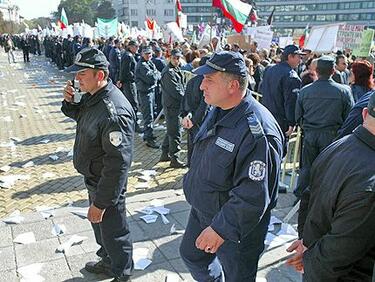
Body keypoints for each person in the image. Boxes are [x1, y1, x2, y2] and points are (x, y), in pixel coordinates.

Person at [179, 51, 285, 281]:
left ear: (233, 86)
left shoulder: (257, 132)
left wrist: (220, 229)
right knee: (192, 255)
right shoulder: (218, 108)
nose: (201, 86)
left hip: (235, 228)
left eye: (209, 80)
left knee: (238, 276)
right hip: (205, 209)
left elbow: (254, 194)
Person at [61, 48, 134, 282]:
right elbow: (84, 117)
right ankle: (108, 261)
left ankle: (122, 273)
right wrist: (69, 102)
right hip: (94, 177)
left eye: (82, 74)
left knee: (114, 232)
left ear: (100, 75)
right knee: (100, 229)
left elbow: (118, 164)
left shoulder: (114, 111)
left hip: (106, 183)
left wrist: (101, 203)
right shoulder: (95, 96)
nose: (77, 78)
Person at [287, 92, 375, 281]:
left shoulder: (337, 147)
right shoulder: (370, 178)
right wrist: (308, 257)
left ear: (365, 113)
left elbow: (307, 197)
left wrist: (305, 244)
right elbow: (341, 249)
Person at [294, 56, 354, 199]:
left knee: (307, 167)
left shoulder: (305, 91)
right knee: (328, 168)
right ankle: (324, 198)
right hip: (331, 134)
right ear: (333, 71)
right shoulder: (343, 91)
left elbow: (298, 116)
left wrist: (307, 128)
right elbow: (349, 117)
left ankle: (302, 196)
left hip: (311, 133)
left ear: (316, 71)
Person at [260, 45, 304, 138]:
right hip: (280, 122)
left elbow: (261, 90)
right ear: (290, 57)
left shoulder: (269, 69)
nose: (300, 60)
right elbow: (291, 102)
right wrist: (291, 123)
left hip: (265, 117)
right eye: (298, 57)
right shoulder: (292, 76)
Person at [159, 49, 187, 168]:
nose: (177, 61)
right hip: (172, 106)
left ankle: (165, 153)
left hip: (174, 105)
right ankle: (174, 158)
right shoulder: (168, 72)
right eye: (175, 58)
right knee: (175, 132)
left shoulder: (175, 69)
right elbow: (175, 91)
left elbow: (181, 86)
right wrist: (186, 99)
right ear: (170, 58)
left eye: (178, 58)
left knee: (171, 129)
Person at [135, 46, 160, 148]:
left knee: (150, 115)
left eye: (150, 54)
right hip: (145, 93)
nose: (149, 55)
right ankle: (148, 138)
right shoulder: (142, 65)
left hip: (150, 91)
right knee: (148, 116)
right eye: (146, 54)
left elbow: (158, 74)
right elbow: (152, 78)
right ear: (142, 54)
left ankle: (149, 134)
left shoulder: (149, 62)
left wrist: (155, 75)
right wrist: (155, 75)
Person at [118, 40, 141, 133]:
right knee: (133, 103)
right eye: (136, 47)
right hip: (129, 82)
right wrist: (124, 79)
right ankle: (134, 125)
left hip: (128, 81)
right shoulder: (128, 56)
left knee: (132, 103)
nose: (137, 49)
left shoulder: (127, 54)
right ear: (131, 47)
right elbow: (125, 70)